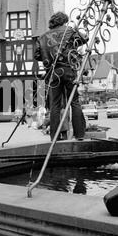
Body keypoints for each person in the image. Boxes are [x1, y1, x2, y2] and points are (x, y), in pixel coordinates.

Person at [35, 12, 87, 141]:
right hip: (68, 70)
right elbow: (84, 38)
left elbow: (36, 55)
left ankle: (54, 136)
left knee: (55, 105)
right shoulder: (69, 31)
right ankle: (79, 135)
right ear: (64, 21)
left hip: (53, 73)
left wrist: (48, 56)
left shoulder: (42, 37)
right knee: (74, 101)